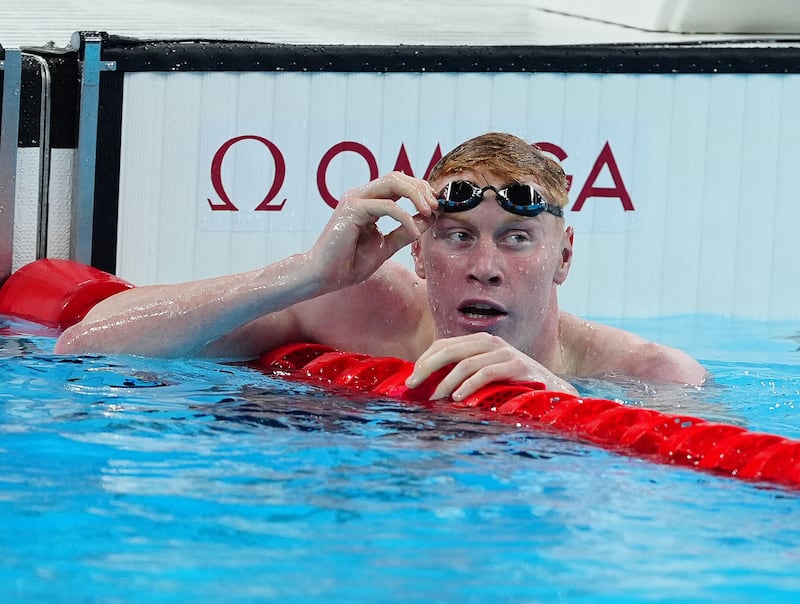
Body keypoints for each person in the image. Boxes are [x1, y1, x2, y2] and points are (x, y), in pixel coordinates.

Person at [54, 132, 707, 398]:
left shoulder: (649, 374)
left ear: (563, 257)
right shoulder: (366, 307)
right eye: (456, 238)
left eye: (515, 238)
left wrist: (562, 406)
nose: (485, 267)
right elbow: (84, 348)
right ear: (418, 252)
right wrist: (305, 274)